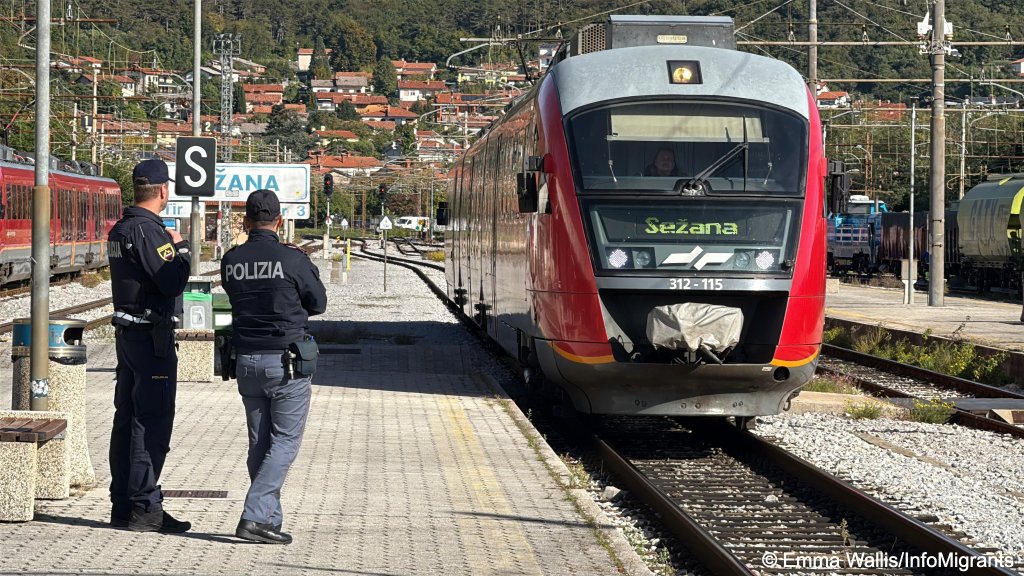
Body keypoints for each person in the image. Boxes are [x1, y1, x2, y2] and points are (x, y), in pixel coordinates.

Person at [221, 189, 327, 545]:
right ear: (279, 221)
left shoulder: (231, 260)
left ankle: (268, 520)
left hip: (246, 362)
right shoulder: (293, 259)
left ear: (246, 221)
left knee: (259, 444)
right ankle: (253, 515)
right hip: (286, 365)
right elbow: (319, 303)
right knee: (284, 443)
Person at [107, 158, 192, 533]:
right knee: (151, 421)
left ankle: (124, 504)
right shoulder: (148, 232)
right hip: (150, 338)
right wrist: (183, 250)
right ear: (162, 191)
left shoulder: (121, 228)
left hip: (129, 335)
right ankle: (145, 506)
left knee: (126, 420)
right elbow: (171, 282)